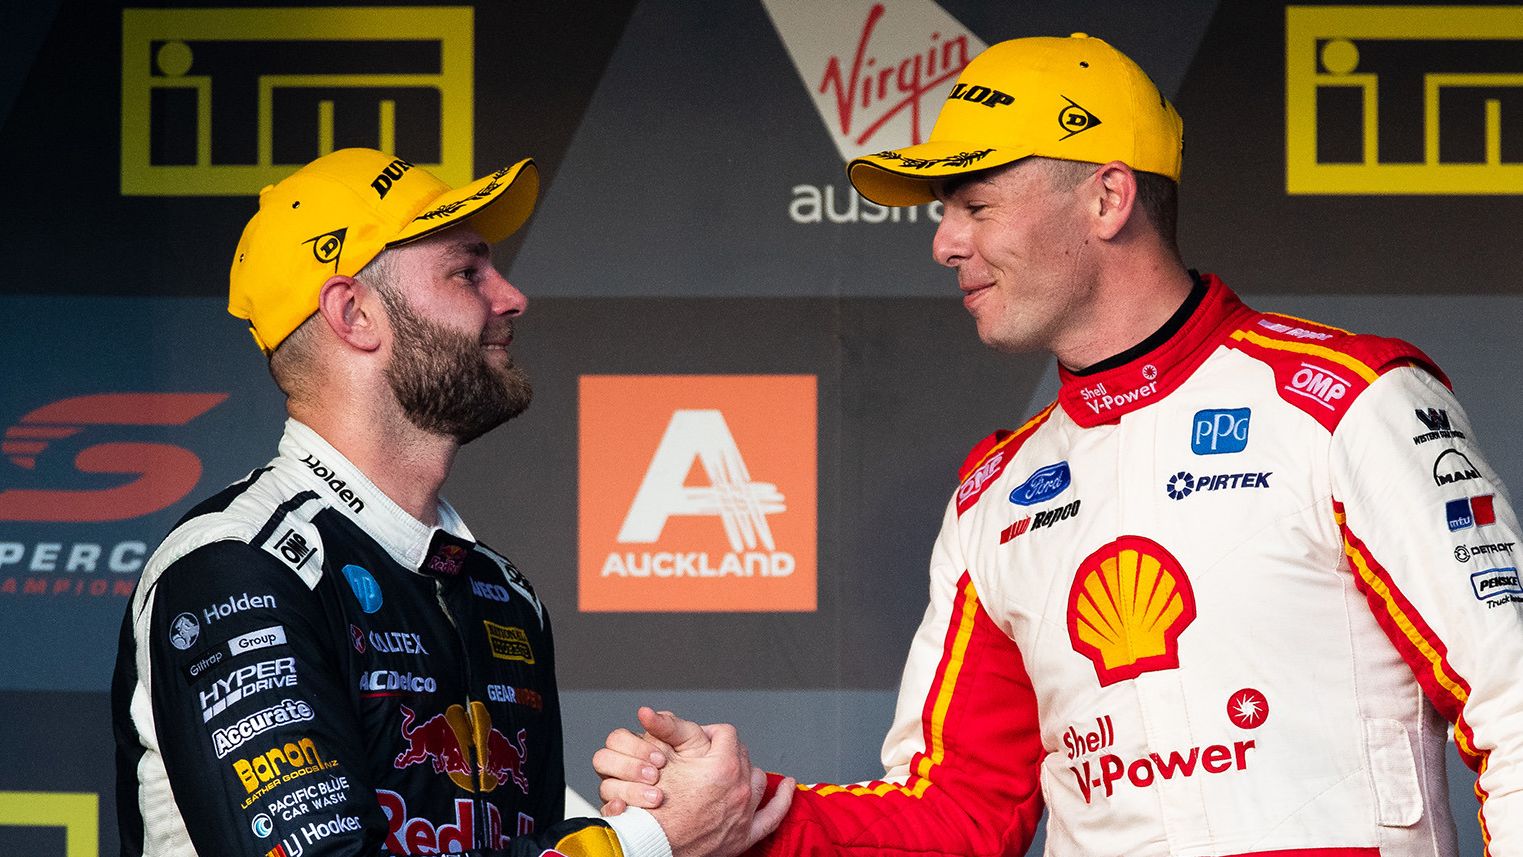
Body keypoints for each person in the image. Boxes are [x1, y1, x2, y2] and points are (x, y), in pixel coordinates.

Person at [593, 33, 1523, 855]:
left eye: (975, 204)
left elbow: (1510, 695)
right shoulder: (999, 490)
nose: (943, 242)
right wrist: (746, 814)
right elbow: (958, 811)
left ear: (1107, 197)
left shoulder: (1343, 401)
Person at [111, 148, 790, 857]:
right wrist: (645, 841)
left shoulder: (500, 593)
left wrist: (646, 809)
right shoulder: (238, 569)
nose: (510, 297)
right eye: (467, 272)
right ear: (354, 314)